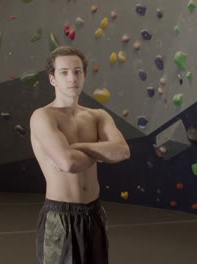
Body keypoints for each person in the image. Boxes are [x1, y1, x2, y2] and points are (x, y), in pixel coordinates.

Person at [30, 46, 131, 264]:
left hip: (94, 212)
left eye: (77, 71)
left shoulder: (98, 116)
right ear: (52, 79)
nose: (72, 78)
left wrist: (77, 146)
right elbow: (67, 163)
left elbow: (122, 151)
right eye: (64, 72)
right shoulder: (43, 116)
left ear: (84, 75)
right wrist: (101, 149)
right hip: (61, 216)